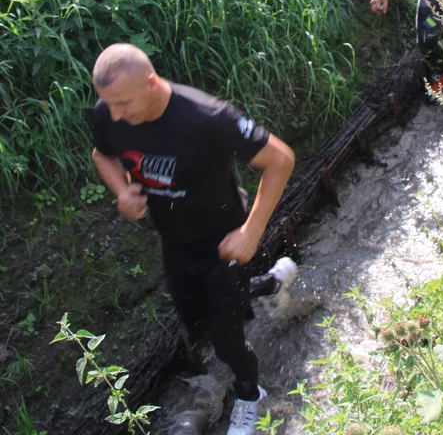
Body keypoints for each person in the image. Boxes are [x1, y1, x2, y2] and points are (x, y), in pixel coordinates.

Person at [90, 43, 296, 435]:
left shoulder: (206, 117)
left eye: (122, 104)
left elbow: (280, 159)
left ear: (151, 83)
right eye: (108, 105)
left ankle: (250, 395)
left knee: (227, 340)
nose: (115, 115)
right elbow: (103, 154)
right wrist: (121, 190)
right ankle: (270, 284)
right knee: (197, 322)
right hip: (174, 242)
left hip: (223, 242)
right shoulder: (108, 112)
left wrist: (251, 232)